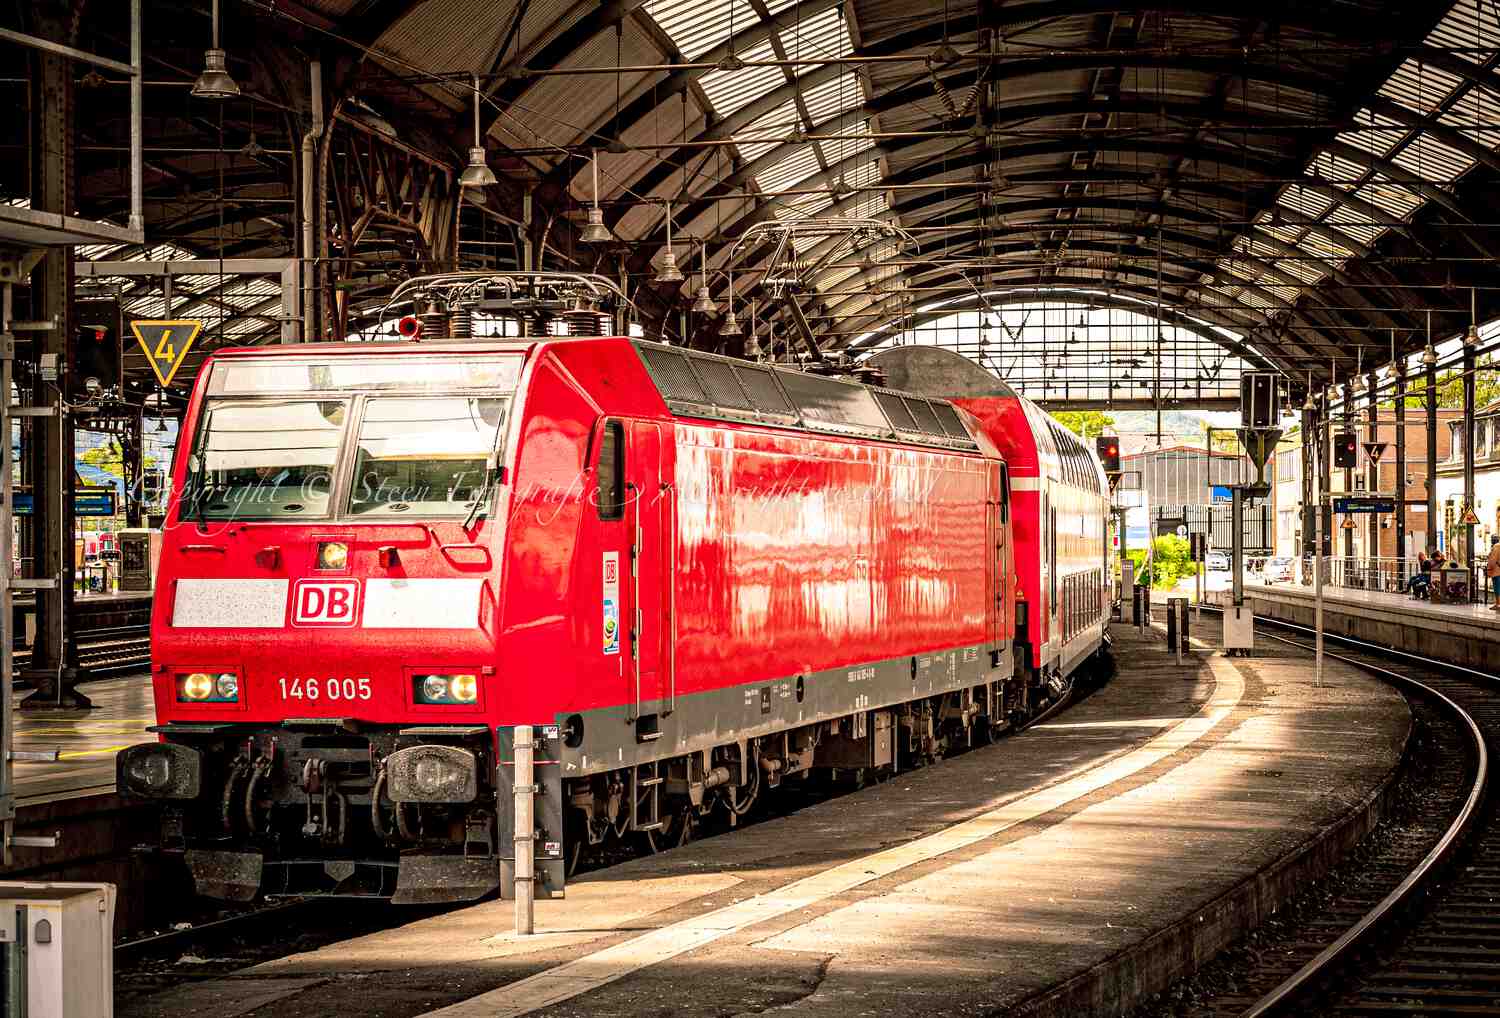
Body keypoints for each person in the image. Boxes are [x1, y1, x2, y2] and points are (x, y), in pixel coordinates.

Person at [1486, 535, 1500, 611]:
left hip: (1497, 571)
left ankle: (1498, 604)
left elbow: (1492, 560)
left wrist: (1489, 569)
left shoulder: (1496, 547)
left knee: (1497, 587)